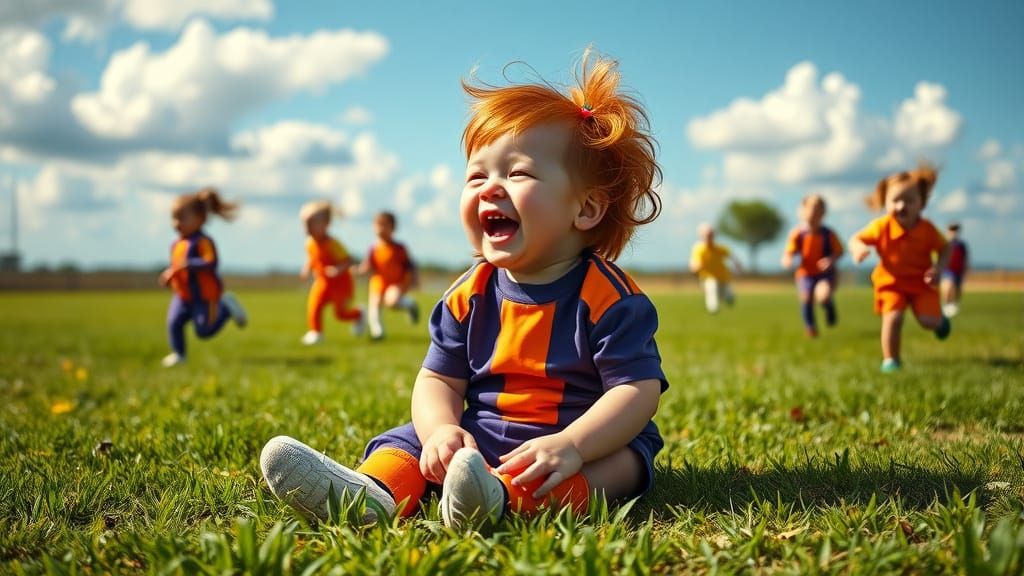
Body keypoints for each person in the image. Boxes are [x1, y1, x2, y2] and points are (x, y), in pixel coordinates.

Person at [260, 48, 668, 530]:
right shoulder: (468, 294)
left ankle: (500, 499)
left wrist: (572, 445)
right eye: (476, 175)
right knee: (407, 440)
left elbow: (635, 392)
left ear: (585, 210)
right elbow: (438, 380)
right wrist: (442, 432)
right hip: (480, 435)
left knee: (624, 465)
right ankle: (374, 493)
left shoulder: (609, 299)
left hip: (580, 440)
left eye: (516, 173)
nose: (489, 188)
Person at [848, 164, 951, 373]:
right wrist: (858, 249)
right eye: (895, 200)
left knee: (928, 321)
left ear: (921, 204)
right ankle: (891, 361)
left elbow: (945, 248)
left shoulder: (927, 230)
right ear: (885, 202)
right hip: (891, 284)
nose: (901, 206)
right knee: (893, 318)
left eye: (909, 200)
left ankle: (940, 323)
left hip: (922, 283)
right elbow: (856, 238)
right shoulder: (881, 227)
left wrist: (939, 269)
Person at [158, 187, 247, 367]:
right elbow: (178, 269)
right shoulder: (177, 244)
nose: (176, 223)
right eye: (173, 218)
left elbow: (211, 262)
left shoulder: (203, 242)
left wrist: (190, 264)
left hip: (205, 297)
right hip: (183, 296)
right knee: (174, 323)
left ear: (200, 219)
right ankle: (179, 355)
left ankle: (227, 308)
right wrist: (170, 277)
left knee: (204, 331)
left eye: (181, 218)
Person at [299, 201, 364, 345]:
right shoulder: (309, 243)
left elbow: (348, 260)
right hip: (322, 282)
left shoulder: (333, 244)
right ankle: (316, 333)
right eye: (304, 223)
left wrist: (337, 269)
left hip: (340, 284)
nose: (306, 227)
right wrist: (306, 269)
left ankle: (358, 314)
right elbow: (312, 258)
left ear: (325, 224)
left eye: (311, 223)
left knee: (340, 314)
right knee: (314, 306)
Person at [781, 194, 844, 337]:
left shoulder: (828, 234)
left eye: (816, 209)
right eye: (809, 208)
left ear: (822, 213)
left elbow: (839, 251)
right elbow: (789, 251)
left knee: (823, 295)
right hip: (805, 273)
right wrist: (787, 259)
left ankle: (828, 306)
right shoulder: (798, 233)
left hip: (824, 274)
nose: (812, 212)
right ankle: (810, 327)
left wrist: (831, 260)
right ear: (802, 211)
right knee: (807, 298)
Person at [358, 211, 419, 341]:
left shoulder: (399, 248)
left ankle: (410, 305)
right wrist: (358, 270)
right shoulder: (373, 249)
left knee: (391, 302)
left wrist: (413, 278)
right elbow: (368, 265)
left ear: (393, 228)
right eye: (378, 225)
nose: (381, 229)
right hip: (378, 282)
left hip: (396, 282)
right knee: (375, 304)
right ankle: (378, 332)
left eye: (385, 225)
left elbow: (409, 265)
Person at [689, 223, 742, 313]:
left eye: (711, 235)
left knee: (727, 296)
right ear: (702, 236)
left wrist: (738, 268)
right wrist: (696, 267)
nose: (709, 238)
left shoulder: (720, 248)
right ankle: (713, 308)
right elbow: (693, 263)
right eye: (707, 236)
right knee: (711, 287)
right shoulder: (699, 249)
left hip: (723, 277)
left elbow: (733, 258)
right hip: (708, 277)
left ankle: (728, 298)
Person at [940, 223, 969, 317]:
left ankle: (952, 306)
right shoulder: (944, 243)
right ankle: (945, 305)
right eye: (952, 230)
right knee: (948, 288)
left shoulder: (961, 245)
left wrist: (965, 270)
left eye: (955, 230)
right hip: (947, 270)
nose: (954, 233)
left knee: (957, 291)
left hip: (958, 271)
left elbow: (965, 259)